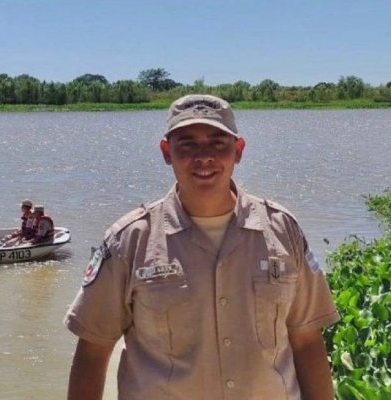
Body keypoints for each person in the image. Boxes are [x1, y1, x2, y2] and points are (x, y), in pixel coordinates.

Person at [64, 94, 339, 400]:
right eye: (187, 143)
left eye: (217, 142)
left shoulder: (282, 230)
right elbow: (93, 350)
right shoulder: (129, 240)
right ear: (167, 152)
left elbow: (306, 340)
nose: (204, 156)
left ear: (238, 150)